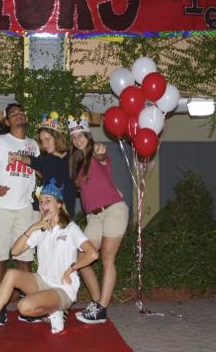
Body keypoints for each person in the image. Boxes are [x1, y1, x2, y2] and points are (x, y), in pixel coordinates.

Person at [0, 179, 99, 342]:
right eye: (41, 202)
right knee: (11, 274)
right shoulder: (41, 229)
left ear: (59, 204)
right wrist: (33, 228)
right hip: (42, 282)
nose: (43, 205)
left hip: (63, 289)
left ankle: (55, 309)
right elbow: (15, 251)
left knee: (24, 307)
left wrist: (72, 268)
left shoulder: (70, 228)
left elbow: (92, 254)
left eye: (48, 201)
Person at [68, 114, 129, 324]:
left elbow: (102, 157)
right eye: (74, 137)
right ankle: (96, 302)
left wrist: (100, 153)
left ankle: (102, 309)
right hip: (94, 217)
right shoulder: (76, 162)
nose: (77, 139)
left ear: (88, 134)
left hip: (113, 210)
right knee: (81, 258)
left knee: (106, 258)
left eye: (81, 135)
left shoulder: (96, 151)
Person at [0, 102, 40, 325]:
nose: (18, 116)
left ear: (25, 118)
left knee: (25, 259)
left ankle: (27, 308)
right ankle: (0, 308)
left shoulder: (33, 145)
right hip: (0, 208)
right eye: (13, 114)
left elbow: (41, 171)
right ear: (7, 121)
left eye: (20, 113)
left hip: (25, 209)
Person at [8, 111, 77, 218]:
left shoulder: (72, 157)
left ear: (57, 137)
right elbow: (32, 161)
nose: (44, 144)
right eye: (42, 141)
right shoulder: (45, 159)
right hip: (46, 209)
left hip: (66, 209)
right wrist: (19, 157)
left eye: (47, 139)